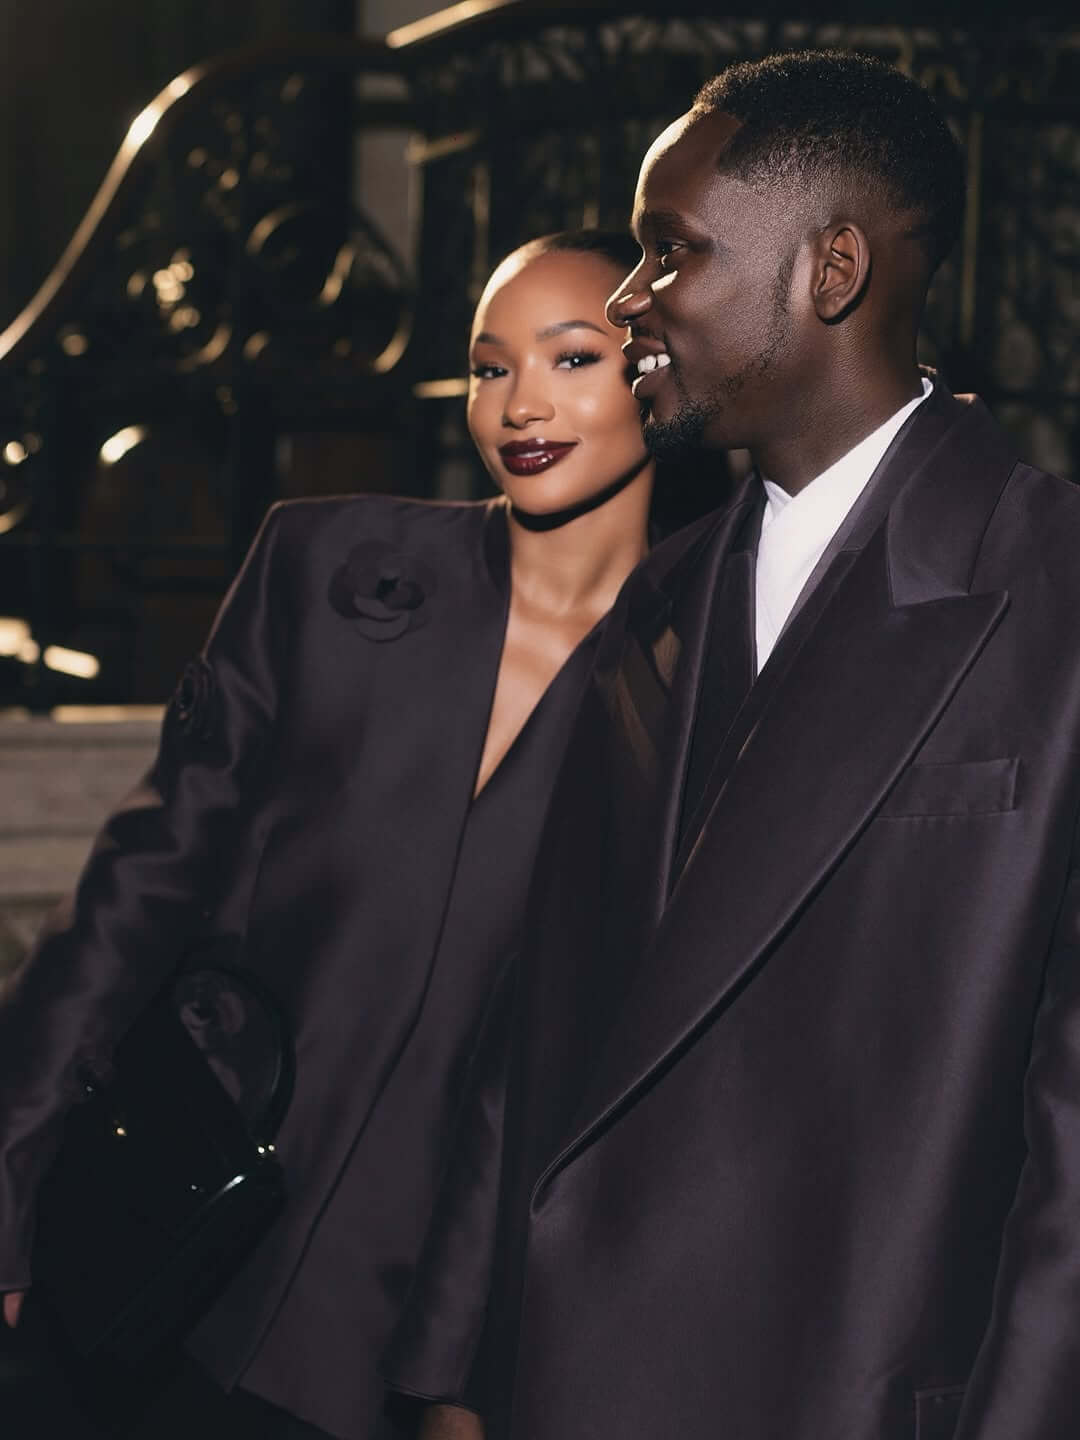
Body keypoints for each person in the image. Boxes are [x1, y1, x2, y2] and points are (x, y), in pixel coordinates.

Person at [387, 51, 1080, 1439]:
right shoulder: (663, 594)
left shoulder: (1049, 583)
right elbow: (540, 1021)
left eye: (668, 254)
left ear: (829, 273)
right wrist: (459, 1374)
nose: (628, 300)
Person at [0, 228, 656, 1440]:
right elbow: (138, 888)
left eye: (572, 358)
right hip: (173, 1233)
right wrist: (13, 1156)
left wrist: (473, 1380)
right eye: (487, 364)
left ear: (658, 372)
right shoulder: (327, 566)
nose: (521, 404)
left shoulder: (699, 677)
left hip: (427, 1324)